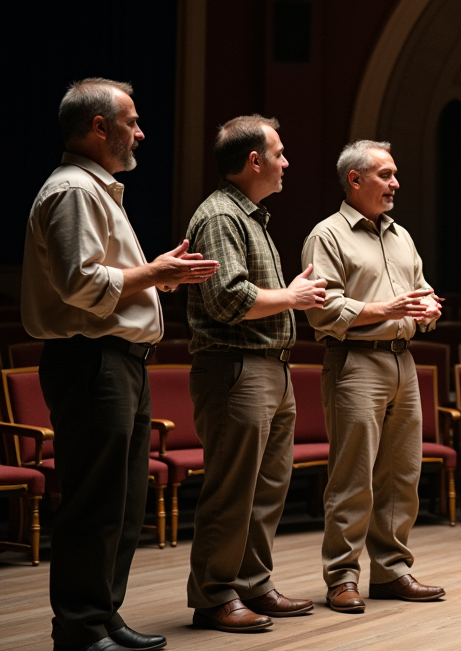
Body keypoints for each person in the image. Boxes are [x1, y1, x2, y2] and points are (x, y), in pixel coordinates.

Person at [22, 78, 217, 651]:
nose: (141, 131)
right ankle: (80, 627)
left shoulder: (96, 190)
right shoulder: (73, 191)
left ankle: (103, 614)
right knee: (95, 500)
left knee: (125, 500)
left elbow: (106, 281)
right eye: (131, 121)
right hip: (90, 360)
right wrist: (156, 274)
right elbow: (82, 284)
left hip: (117, 361)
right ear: (99, 127)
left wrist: (161, 275)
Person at [184, 115, 327, 633]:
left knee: (267, 487)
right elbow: (226, 300)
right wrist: (292, 296)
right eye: (279, 153)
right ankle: (214, 595)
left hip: (269, 367)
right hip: (237, 367)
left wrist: (289, 295)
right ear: (254, 161)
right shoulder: (221, 216)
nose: (286, 162)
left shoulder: (252, 217)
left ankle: (253, 583)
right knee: (233, 489)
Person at [301, 140, 445, 614]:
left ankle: (391, 571)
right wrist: (385, 309)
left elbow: (420, 290)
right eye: (385, 174)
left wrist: (428, 308)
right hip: (355, 362)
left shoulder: (400, 235)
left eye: (395, 174)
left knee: (402, 474)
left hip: (404, 361)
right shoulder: (327, 236)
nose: (395, 184)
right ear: (355, 180)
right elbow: (322, 310)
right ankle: (342, 576)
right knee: (353, 476)